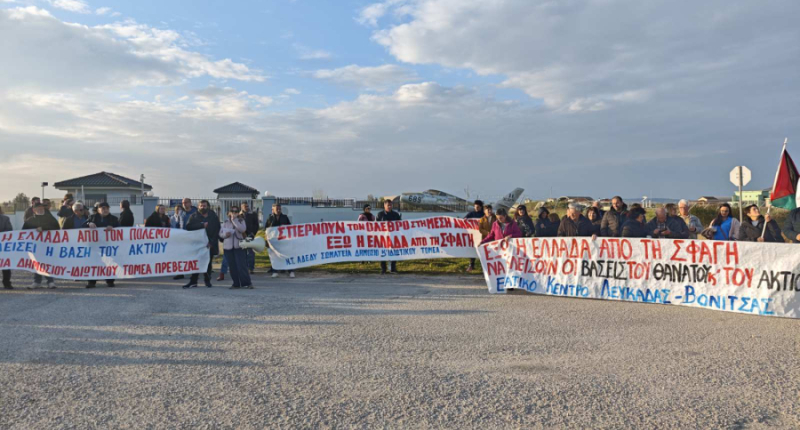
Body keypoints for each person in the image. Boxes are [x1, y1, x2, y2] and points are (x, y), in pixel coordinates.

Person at [22, 202, 60, 289]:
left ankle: (50, 281)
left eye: (42, 208)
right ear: (34, 210)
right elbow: (23, 232)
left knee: (47, 262)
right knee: (36, 263)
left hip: (48, 245)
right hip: (35, 246)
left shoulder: (50, 218)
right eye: (38, 208)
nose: (40, 209)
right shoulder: (29, 220)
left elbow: (57, 228)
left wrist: (43, 228)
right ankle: (37, 281)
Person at [184, 200, 221, 288]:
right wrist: (201, 225)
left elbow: (217, 230)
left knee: (208, 263)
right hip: (197, 244)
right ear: (198, 206)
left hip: (209, 244)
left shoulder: (213, 216)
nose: (202, 207)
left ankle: (207, 281)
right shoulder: (194, 216)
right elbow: (188, 227)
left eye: (204, 206)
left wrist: (211, 242)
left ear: (208, 206)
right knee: (196, 263)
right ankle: (193, 281)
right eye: (201, 206)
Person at [84, 202, 120, 288]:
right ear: (98, 209)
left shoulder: (114, 218)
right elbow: (83, 225)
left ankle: (110, 281)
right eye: (103, 208)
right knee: (93, 263)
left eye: (107, 208)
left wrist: (113, 227)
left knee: (109, 262)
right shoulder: (92, 217)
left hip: (108, 245)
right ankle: (91, 282)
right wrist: (89, 224)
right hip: (94, 245)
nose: (105, 210)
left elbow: (120, 228)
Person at [219, 205, 253, 289]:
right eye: (232, 211)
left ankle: (247, 283)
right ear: (229, 213)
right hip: (228, 247)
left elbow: (242, 229)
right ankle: (236, 283)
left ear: (238, 213)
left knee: (242, 266)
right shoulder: (226, 222)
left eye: (236, 212)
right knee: (232, 267)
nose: (234, 213)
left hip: (239, 246)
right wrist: (225, 235)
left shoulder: (241, 221)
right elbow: (220, 233)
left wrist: (235, 221)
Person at [265, 203, 294, 278]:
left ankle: (290, 271)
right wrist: (267, 240)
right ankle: (275, 271)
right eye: (277, 209)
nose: (278, 210)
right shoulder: (270, 218)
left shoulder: (285, 217)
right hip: (274, 241)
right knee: (274, 256)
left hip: (283, 240)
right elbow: (266, 229)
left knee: (286, 255)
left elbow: (289, 227)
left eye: (279, 208)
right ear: (273, 209)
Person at [376, 200, 402, 275]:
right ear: (384, 206)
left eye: (391, 205)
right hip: (383, 237)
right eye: (388, 205)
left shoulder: (396, 214)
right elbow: (374, 226)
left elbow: (400, 224)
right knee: (383, 253)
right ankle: (383, 269)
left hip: (393, 237)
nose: (389, 207)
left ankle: (393, 269)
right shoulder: (380, 215)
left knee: (393, 253)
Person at [464, 200, 484, 272]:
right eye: (475, 207)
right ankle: (471, 265)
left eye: (478, 207)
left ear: (481, 207)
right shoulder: (471, 213)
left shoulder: (484, 214)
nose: (476, 208)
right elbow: (464, 219)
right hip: (473, 235)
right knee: (472, 250)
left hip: (482, 235)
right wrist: (465, 218)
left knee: (483, 251)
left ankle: (483, 266)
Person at [241, 202, 259, 274]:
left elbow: (256, 225)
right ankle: (244, 267)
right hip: (241, 236)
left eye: (247, 206)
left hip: (249, 235)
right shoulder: (239, 215)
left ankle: (251, 268)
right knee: (242, 252)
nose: (246, 207)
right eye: (245, 206)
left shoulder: (253, 214)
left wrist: (253, 233)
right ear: (242, 207)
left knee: (250, 252)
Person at [0, 207, 13, 289]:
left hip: (3, 246)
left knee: (5, 265)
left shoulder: (5, 219)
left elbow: (9, 230)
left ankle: (7, 283)